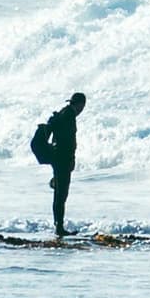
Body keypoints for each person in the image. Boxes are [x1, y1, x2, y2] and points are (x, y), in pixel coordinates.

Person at [27, 92, 87, 240]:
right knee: (61, 195)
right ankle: (59, 228)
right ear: (80, 104)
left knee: (60, 194)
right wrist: (69, 159)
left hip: (59, 157)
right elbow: (66, 140)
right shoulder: (68, 115)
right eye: (82, 106)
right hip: (62, 158)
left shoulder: (65, 113)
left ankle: (59, 226)